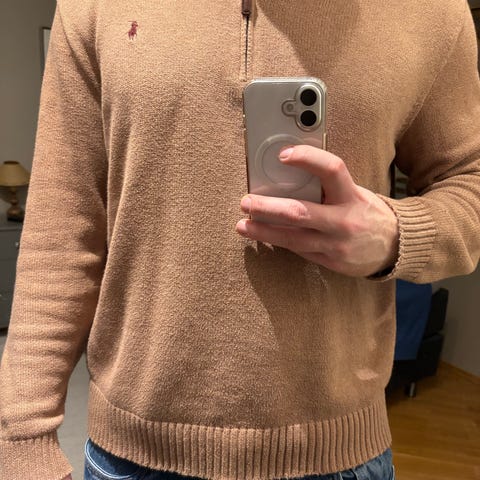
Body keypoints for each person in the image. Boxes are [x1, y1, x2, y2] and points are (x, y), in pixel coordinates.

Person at [1, 0, 479, 479]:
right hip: (130, 455)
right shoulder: (93, 5)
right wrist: (21, 437)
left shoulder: (431, 10)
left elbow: (469, 184)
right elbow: (62, 228)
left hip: (338, 455)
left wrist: (395, 233)